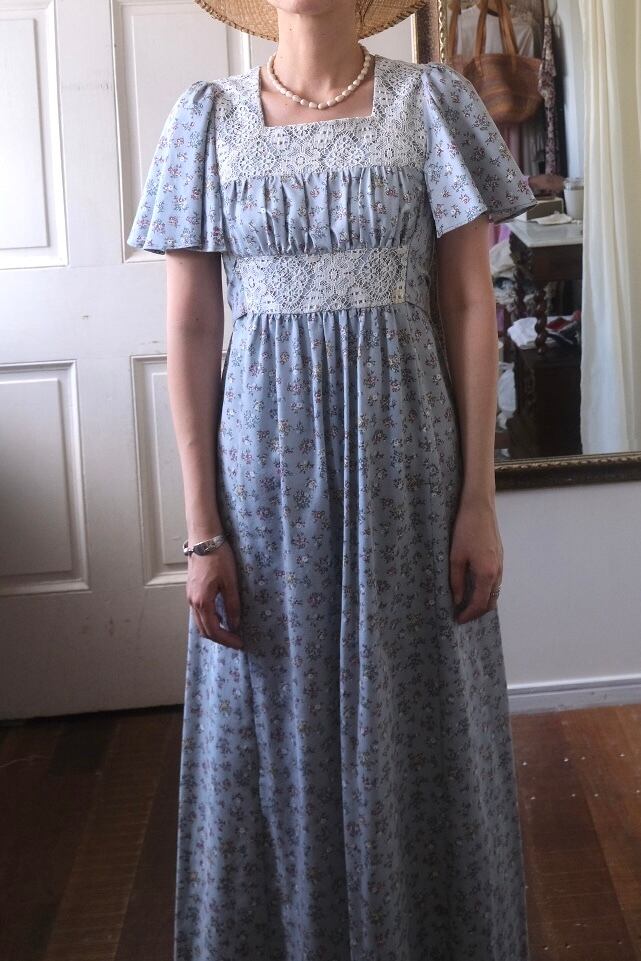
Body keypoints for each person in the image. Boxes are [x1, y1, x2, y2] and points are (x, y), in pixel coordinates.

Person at [127, 0, 538, 956]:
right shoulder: (206, 119)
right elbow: (191, 326)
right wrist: (202, 530)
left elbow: (468, 302)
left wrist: (478, 500)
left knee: (416, 707)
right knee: (272, 714)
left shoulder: (431, 103)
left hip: (407, 469)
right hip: (262, 482)